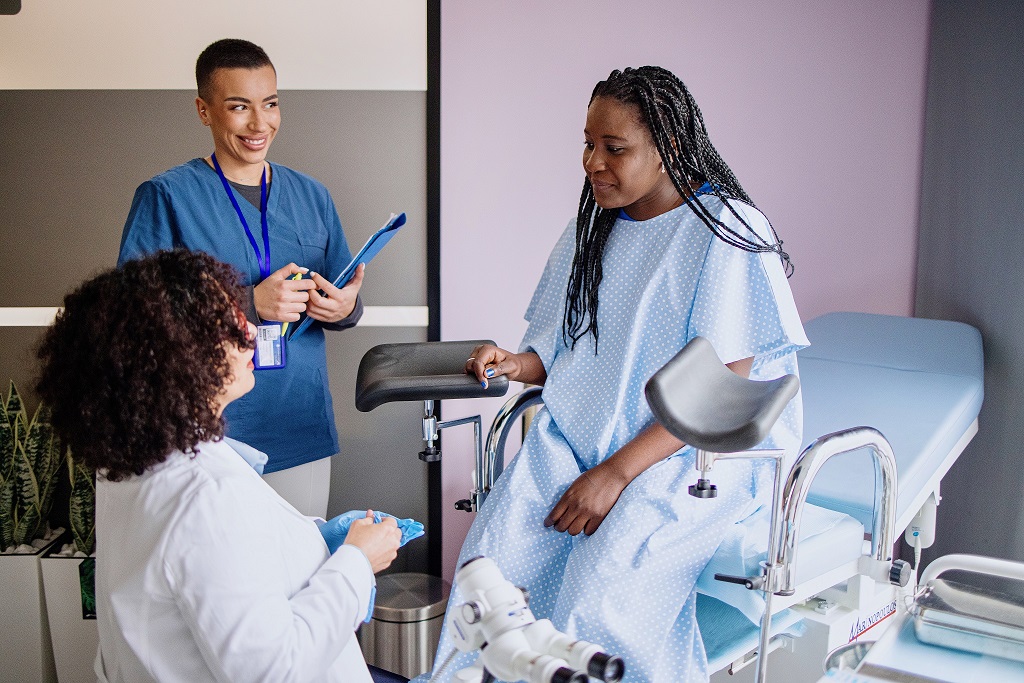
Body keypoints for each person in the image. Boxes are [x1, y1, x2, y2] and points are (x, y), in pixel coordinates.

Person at [425, 67, 808, 682]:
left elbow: (721, 397)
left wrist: (615, 474)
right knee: (490, 576)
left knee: (596, 604)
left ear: (670, 150)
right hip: (579, 440)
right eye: (588, 143)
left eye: (615, 149)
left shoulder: (725, 234)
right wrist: (512, 362)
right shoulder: (593, 228)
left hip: (691, 456)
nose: (592, 162)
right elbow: (559, 351)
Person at [36, 249, 407, 683]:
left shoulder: (129, 463)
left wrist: (312, 540)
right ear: (176, 359)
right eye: (226, 324)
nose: (250, 329)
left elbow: (199, 568)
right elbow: (275, 669)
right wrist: (356, 563)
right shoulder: (207, 494)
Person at [118, 38, 361, 517]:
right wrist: (248, 304)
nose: (259, 124)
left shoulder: (313, 196)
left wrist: (345, 308)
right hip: (206, 437)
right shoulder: (166, 197)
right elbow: (132, 315)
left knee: (301, 579)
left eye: (270, 104)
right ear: (204, 111)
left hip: (299, 429)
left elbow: (346, 295)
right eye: (239, 107)